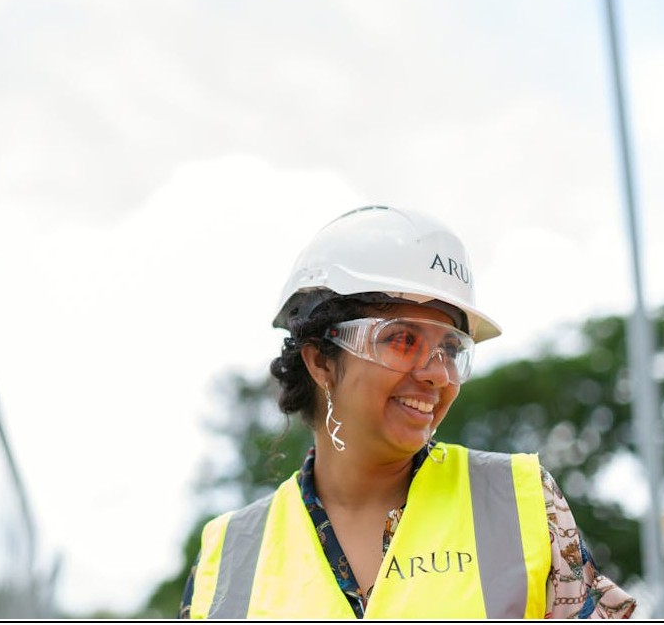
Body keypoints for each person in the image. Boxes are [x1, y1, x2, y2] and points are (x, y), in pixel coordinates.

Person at [179, 205, 637, 619]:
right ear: (320, 361)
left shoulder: (521, 504)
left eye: (451, 349)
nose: (438, 373)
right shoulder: (228, 561)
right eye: (402, 340)